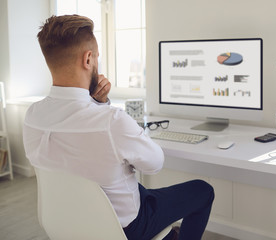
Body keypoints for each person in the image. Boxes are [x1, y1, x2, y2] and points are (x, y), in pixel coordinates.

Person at [22, 14, 214, 240]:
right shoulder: (111, 121)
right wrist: (104, 109)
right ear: (88, 59)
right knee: (203, 190)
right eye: (97, 58)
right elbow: (154, 163)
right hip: (123, 229)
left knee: (142, 193)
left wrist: (98, 104)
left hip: (66, 224)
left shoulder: (32, 116)